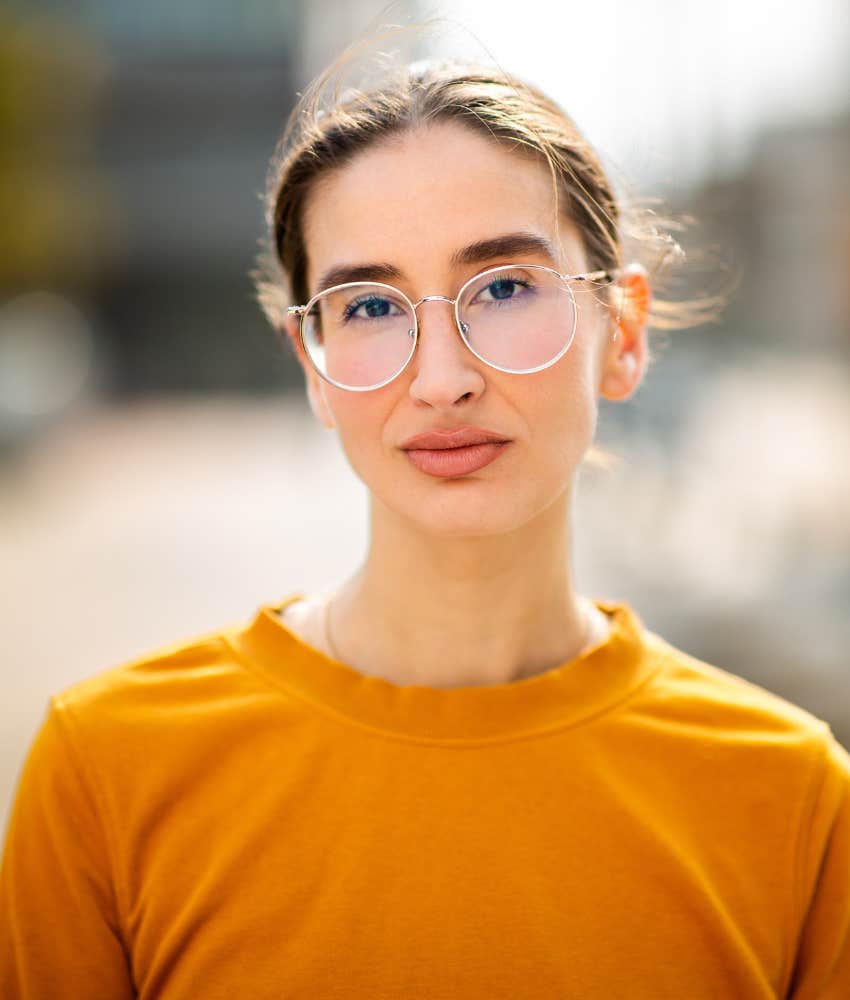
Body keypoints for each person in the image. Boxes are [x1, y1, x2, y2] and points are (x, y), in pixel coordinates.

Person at [1, 41, 849, 1000]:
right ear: (312, 365)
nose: (442, 381)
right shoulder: (108, 773)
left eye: (504, 288)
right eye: (368, 305)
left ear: (623, 334)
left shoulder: (791, 796)